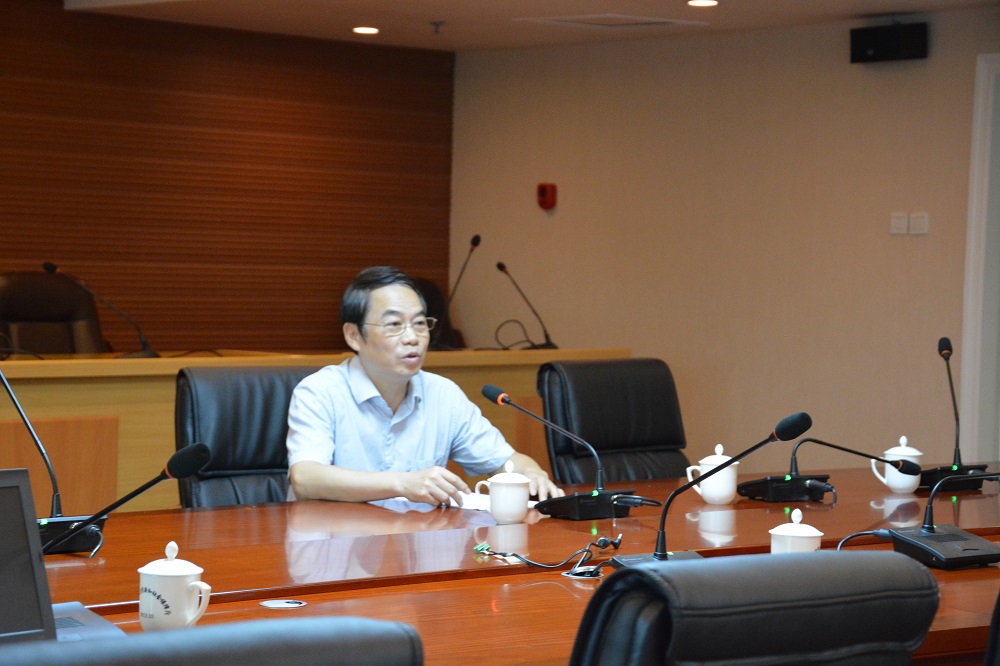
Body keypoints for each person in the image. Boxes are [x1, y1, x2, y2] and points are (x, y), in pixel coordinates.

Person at [286, 266, 563, 507]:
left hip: (416, 541)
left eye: (420, 323)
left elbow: (507, 461)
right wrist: (402, 483)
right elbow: (306, 478)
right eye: (394, 324)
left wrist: (532, 474)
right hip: (337, 544)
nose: (412, 337)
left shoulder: (443, 395)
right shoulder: (320, 392)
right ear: (354, 336)